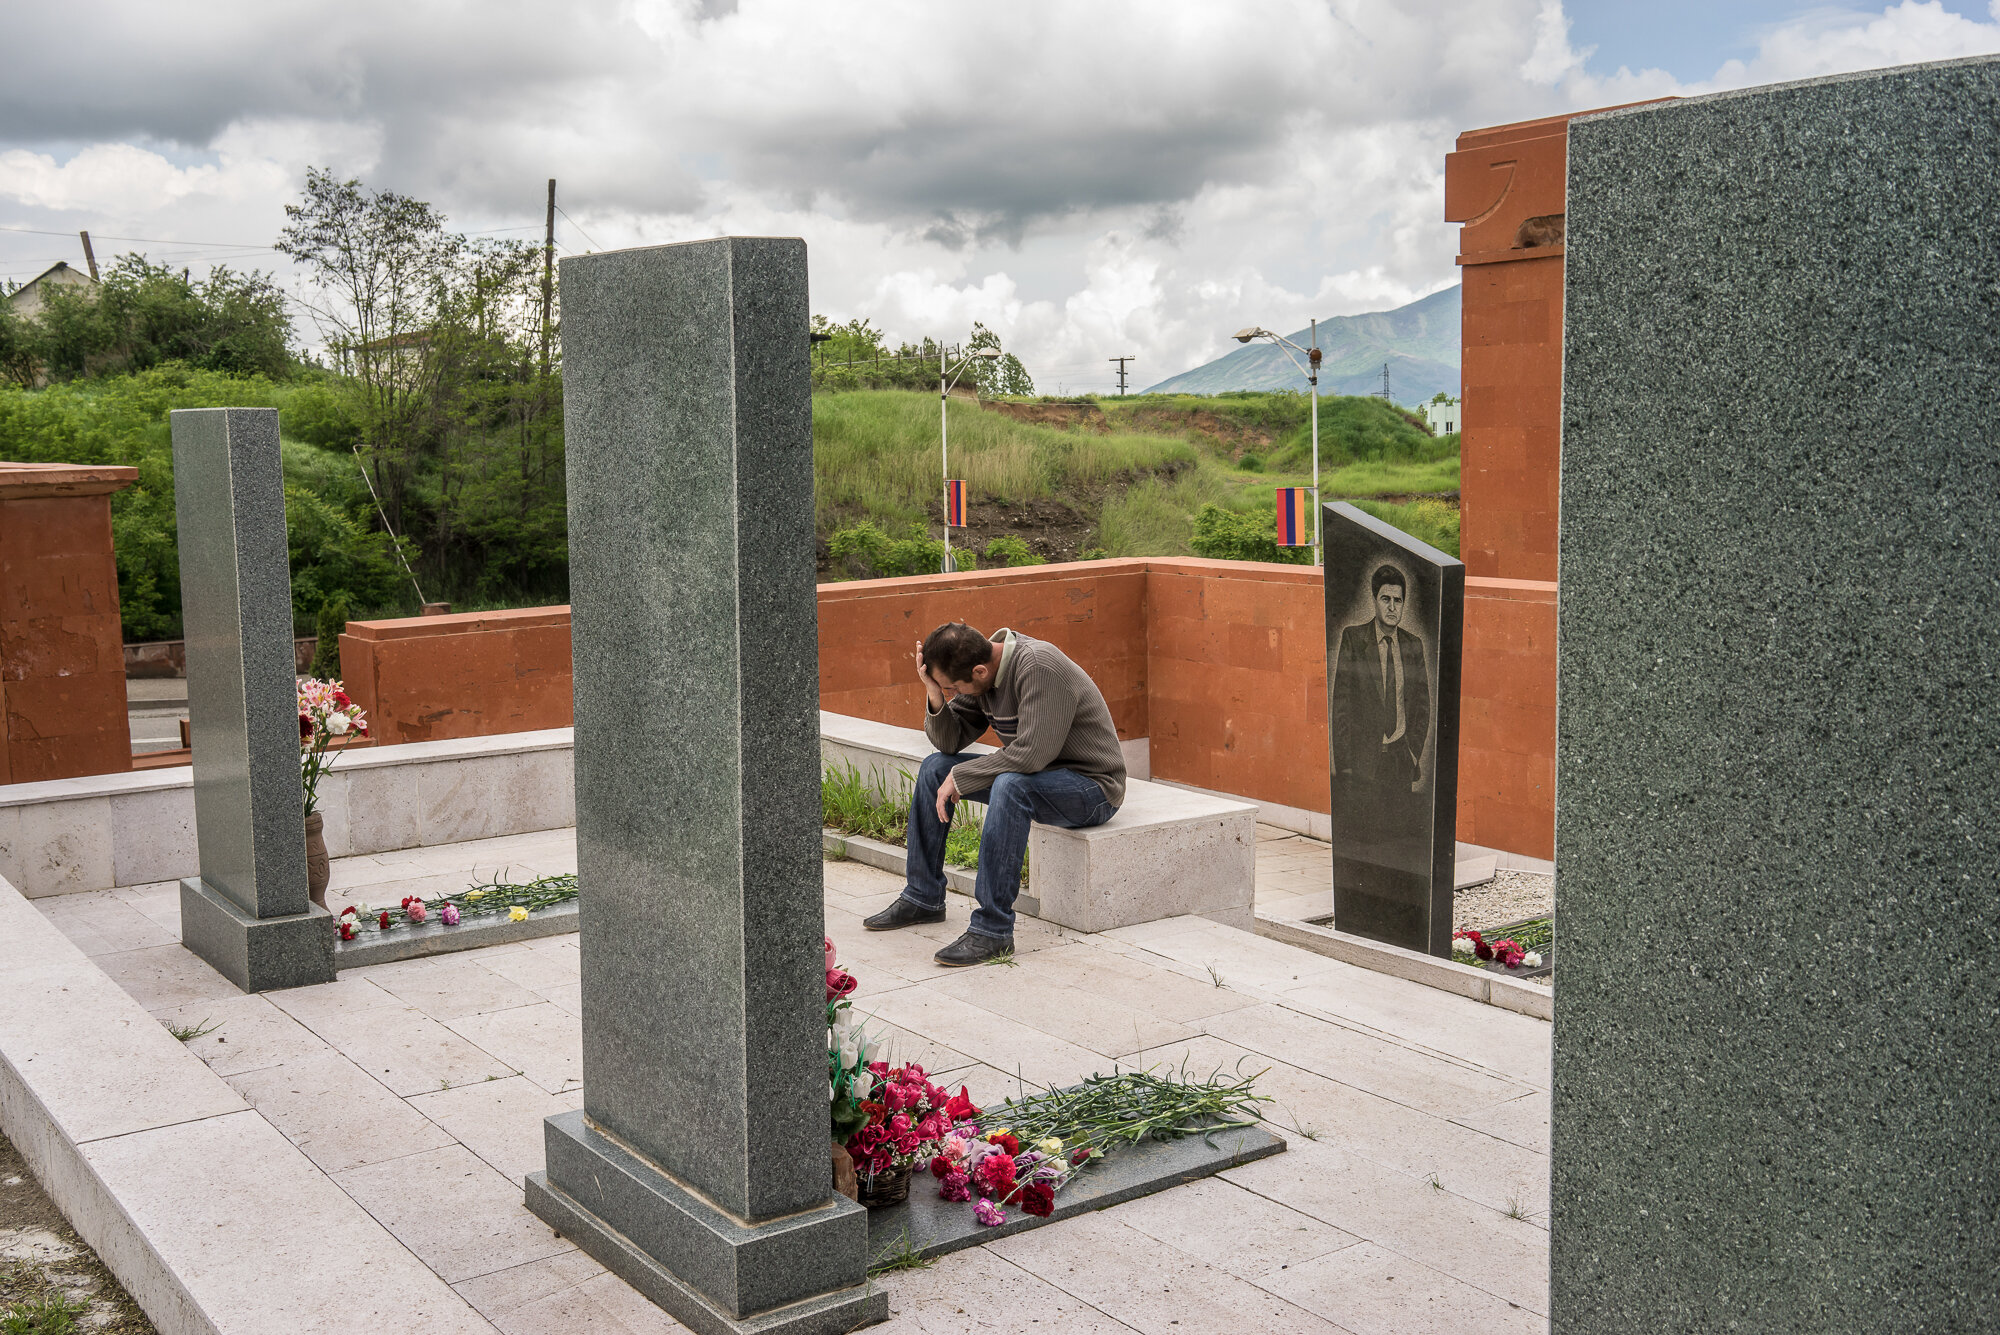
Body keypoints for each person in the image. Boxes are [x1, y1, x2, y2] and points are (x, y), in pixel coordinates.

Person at [862, 622, 1125, 965]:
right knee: (934, 768)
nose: (955, 692)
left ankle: (992, 931)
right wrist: (935, 691)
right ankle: (922, 897)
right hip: (1038, 778)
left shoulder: (1039, 667)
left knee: (1010, 784)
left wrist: (964, 776)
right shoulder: (983, 673)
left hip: (1092, 788)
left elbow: (1031, 754)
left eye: (955, 687)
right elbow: (949, 742)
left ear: (980, 671)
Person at [1331, 564, 1431, 797]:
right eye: (1385, 599)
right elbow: (1341, 707)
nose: (1392, 607)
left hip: (1401, 762)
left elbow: (1422, 706)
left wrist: (1413, 754)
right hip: (1363, 765)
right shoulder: (1354, 639)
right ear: (1374, 600)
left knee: (1399, 831)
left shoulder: (1413, 644)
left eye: (1398, 600)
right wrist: (1346, 765)